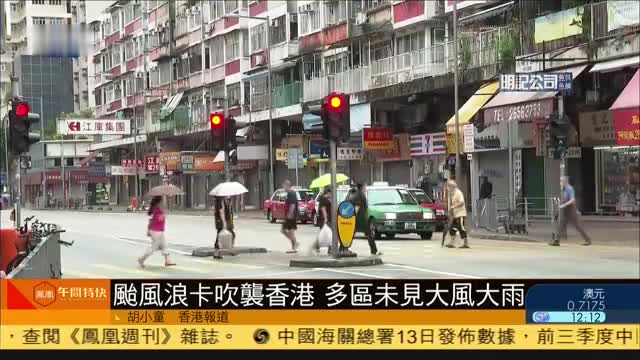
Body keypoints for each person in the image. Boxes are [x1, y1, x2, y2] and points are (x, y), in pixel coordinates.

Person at [550, 176, 591, 246]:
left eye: (561, 181)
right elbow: (563, 200)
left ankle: (587, 240)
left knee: (577, 226)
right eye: (560, 181)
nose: (560, 183)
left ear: (565, 181)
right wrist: (559, 210)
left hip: (571, 210)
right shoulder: (563, 189)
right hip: (565, 210)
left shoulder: (570, 188)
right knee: (561, 224)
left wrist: (564, 205)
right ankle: (556, 241)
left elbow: (572, 200)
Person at [138, 196, 176, 267]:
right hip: (156, 232)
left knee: (164, 245)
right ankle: (141, 259)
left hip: (158, 231)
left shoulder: (157, 208)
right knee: (153, 248)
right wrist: (162, 216)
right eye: (162, 201)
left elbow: (151, 220)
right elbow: (156, 219)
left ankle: (167, 260)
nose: (164, 203)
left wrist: (149, 230)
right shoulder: (157, 209)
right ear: (159, 202)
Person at [352, 183, 381, 256]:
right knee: (368, 234)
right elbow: (356, 207)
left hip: (360, 218)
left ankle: (374, 251)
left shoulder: (359, 194)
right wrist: (354, 217)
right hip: (360, 219)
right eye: (365, 186)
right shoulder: (359, 195)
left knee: (352, 234)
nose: (365, 187)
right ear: (361, 187)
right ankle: (374, 251)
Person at [445, 180, 469, 249]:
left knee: (461, 228)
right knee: (452, 228)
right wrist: (449, 212)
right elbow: (450, 204)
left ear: (452, 186)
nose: (447, 188)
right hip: (455, 215)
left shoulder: (458, 193)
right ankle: (451, 243)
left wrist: (453, 206)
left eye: (448, 186)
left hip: (460, 214)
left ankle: (466, 243)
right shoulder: (451, 193)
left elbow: (462, 202)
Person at [280, 180, 299, 253]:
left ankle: (294, 247)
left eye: (284, 186)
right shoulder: (290, 193)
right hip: (289, 215)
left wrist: (289, 214)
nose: (284, 188)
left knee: (290, 232)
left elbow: (293, 205)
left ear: (287, 185)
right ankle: (294, 245)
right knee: (284, 230)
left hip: (291, 216)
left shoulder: (291, 193)